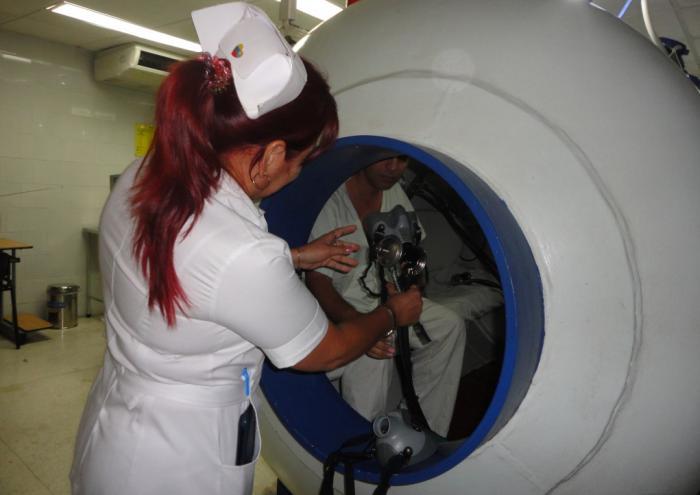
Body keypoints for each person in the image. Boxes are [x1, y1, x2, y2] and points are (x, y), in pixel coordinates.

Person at [69, 4, 422, 495]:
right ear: (273, 154)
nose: (296, 175)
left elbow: (195, 270)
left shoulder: (144, 175)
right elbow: (322, 352)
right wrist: (391, 313)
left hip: (116, 427)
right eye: (300, 163)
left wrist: (296, 258)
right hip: (179, 461)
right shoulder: (242, 252)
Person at [306, 155, 466, 437]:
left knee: (449, 326)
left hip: (384, 298)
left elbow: (415, 259)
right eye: (384, 160)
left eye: (402, 160)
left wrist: (411, 290)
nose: (394, 168)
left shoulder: (393, 192)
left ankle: (422, 428)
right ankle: (361, 439)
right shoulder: (332, 201)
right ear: (366, 156)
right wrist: (360, 324)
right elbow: (318, 284)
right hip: (339, 309)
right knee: (378, 340)